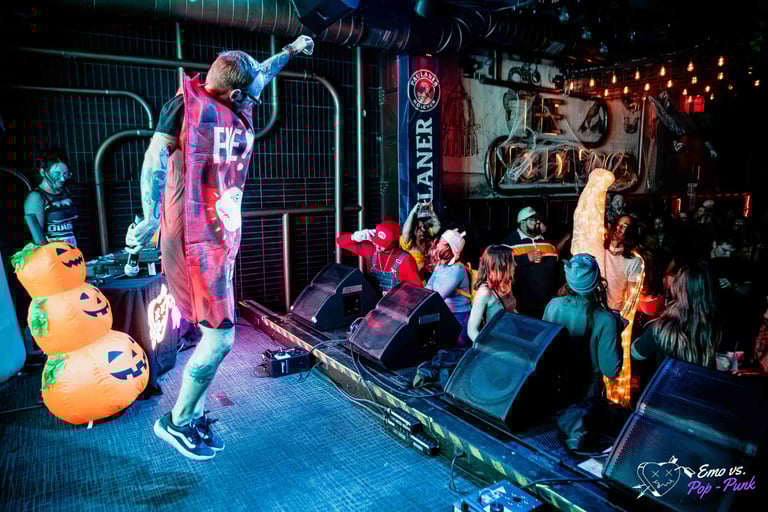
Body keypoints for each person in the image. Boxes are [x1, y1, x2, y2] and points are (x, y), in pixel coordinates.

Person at [124, 36, 315, 461]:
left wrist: (292, 49)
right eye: (251, 97)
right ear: (235, 94)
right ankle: (175, 421)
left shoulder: (236, 94)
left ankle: (193, 414)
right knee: (221, 339)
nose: (256, 101)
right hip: (191, 238)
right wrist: (150, 216)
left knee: (218, 338)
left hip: (217, 235)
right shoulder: (184, 107)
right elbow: (154, 159)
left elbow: (263, 73)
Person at [542, 253, 623, 450]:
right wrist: (616, 331)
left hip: (555, 392)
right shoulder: (606, 320)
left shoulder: (553, 306)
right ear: (597, 282)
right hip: (586, 399)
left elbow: (543, 352)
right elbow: (611, 371)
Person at [631, 260, 720, 369]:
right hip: (701, 379)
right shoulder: (718, 324)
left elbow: (636, 353)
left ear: (679, 288)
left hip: (670, 379)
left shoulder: (662, 327)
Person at [501, 206, 558, 318]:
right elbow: (500, 265)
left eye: (537, 219)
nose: (537, 222)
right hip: (521, 305)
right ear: (522, 222)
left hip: (547, 304)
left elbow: (555, 271)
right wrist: (526, 258)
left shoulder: (548, 243)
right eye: (532, 219)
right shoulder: (509, 242)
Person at [336, 222, 422, 294]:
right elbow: (340, 241)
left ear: (393, 242)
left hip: (394, 305)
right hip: (370, 301)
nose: (377, 246)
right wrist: (354, 237)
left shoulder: (406, 259)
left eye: (382, 243)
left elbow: (417, 291)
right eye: (376, 240)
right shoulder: (370, 249)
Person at [24, 147, 78, 246]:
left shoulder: (65, 191)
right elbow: (38, 240)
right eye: (57, 174)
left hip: (72, 249)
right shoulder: (36, 198)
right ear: (43, 172)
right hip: (53, 251)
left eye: (66, 174)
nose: (62, 179)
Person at [425, 229, 471, 345]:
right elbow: (428, 287)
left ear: (450, 248)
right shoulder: (441, 265)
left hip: (458, 318)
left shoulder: (457, 269)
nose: (437, 245)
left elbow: (438, 296)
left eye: (441, 242)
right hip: (445, 315)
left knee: (457, 350)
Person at [467, 245, 517, 342]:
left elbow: (510, 309)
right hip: (494, 342)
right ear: (500, 264)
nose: (515, 264)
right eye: (511, 261)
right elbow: (471, 330)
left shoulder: (507, 282)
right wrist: (487, 348)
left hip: (511, 338)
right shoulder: (485, 291)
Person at [602, 215, 643, 311]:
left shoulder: (634, 261)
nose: (618, 227)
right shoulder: (600, 249)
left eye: (624, 226)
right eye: (617, 224)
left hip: (613, 312)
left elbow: (631, 299)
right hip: (593, 308)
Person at [400, 200, 440, 276]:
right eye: (419, 228)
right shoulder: (409, 243)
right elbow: (406, 232)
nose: (423, 230)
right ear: (413, 231)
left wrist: (431, 211)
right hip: (412, 277)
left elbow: (437, 226)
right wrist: (413, 212)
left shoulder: (425, 234)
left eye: (423, 227)